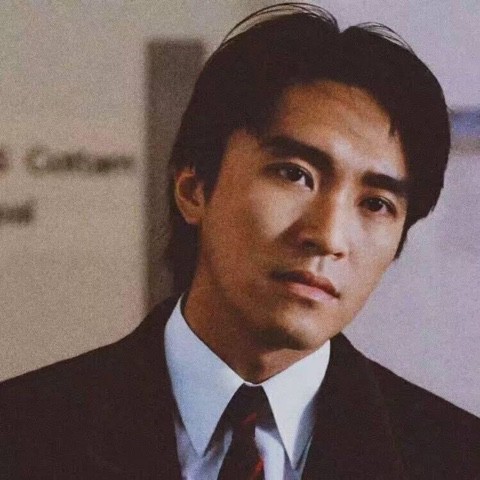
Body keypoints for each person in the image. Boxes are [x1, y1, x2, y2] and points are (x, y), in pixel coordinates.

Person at [1, 3, 479, 479]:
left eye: (376, 203)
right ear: (193, 189)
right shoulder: (21, 434)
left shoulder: (457, 458)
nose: (328, 236)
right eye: (295, 175)